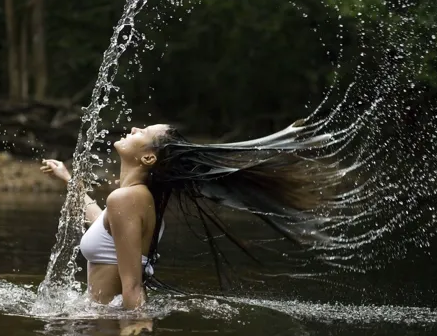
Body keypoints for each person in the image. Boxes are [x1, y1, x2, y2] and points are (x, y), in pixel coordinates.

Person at [41, 121, 347, 310]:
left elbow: (132, 287)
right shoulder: (134, 199)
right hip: (96, 321)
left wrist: (135, 329)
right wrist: (69, 180)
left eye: (143, 132)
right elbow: (102, 226)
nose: (134, 129)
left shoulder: (127, 198)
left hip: (101, 326)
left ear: (148, 157)